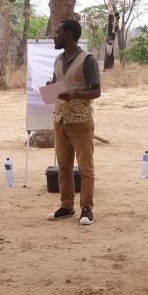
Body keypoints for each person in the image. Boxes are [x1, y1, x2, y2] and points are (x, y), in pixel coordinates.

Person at [45, 19, 101, 225]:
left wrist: (75, 93)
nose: (55, 36)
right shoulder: (58, 59)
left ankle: (86, 209)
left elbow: (97, 91)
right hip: (60, 120)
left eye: (58, 32)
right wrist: (52, 87)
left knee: (85, 168)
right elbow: (59, 84)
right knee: (63, 167)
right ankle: (66, 205)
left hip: (80, 121)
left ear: (68, 34)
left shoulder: (88, 60)